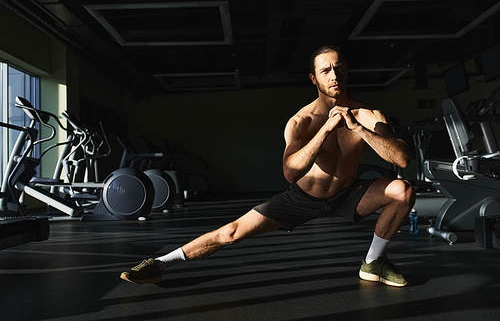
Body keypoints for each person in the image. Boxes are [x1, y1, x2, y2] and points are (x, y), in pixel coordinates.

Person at [120, 45, 415, 287]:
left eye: (339, 68)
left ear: (347, 72)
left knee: (402, 190)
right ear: (314, 78)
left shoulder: (368, 114)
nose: (334, 75)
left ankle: (373, 262)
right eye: (325, 70)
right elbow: (290, 172)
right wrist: (325, 130)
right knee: (231, 232)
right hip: (302, 199)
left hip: (349, 194)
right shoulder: (302, 122)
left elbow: (401, 158)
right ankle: (159, 264)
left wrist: (359, 129)